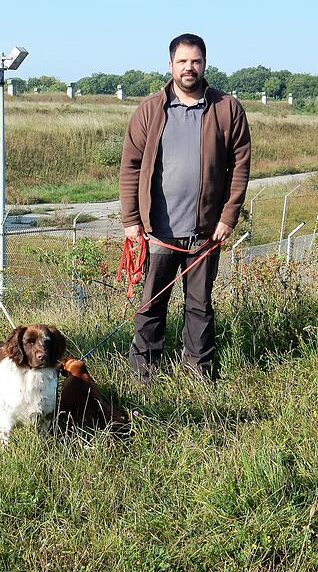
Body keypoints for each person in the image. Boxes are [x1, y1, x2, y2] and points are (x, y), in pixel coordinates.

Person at [118, 33, 251, 382]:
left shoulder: (227, 109)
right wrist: (131, 220)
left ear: (205, 64)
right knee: (151, 306)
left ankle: (199, 374)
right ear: (170, 65)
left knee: (199, 306)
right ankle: (143, 374)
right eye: (182, 61)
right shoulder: (150, 110)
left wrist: (227, 217)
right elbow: (130, 166)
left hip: (205, 233)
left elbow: (240, 167)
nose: (189, 68)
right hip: (158, 231)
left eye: (195, 61)